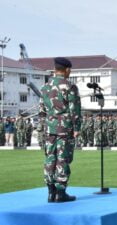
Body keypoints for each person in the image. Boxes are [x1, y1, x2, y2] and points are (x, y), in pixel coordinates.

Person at [39, 57, 81, 203]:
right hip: (65, 128)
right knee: (63, 159)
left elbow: (42, 111)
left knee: (50, 158)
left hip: (50, 129)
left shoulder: (45, 87)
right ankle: (61, 193)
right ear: (67, 69)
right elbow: (74, 110)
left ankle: (51, 192)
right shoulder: (69, 86)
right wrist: (77, 128)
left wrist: (42, 128)